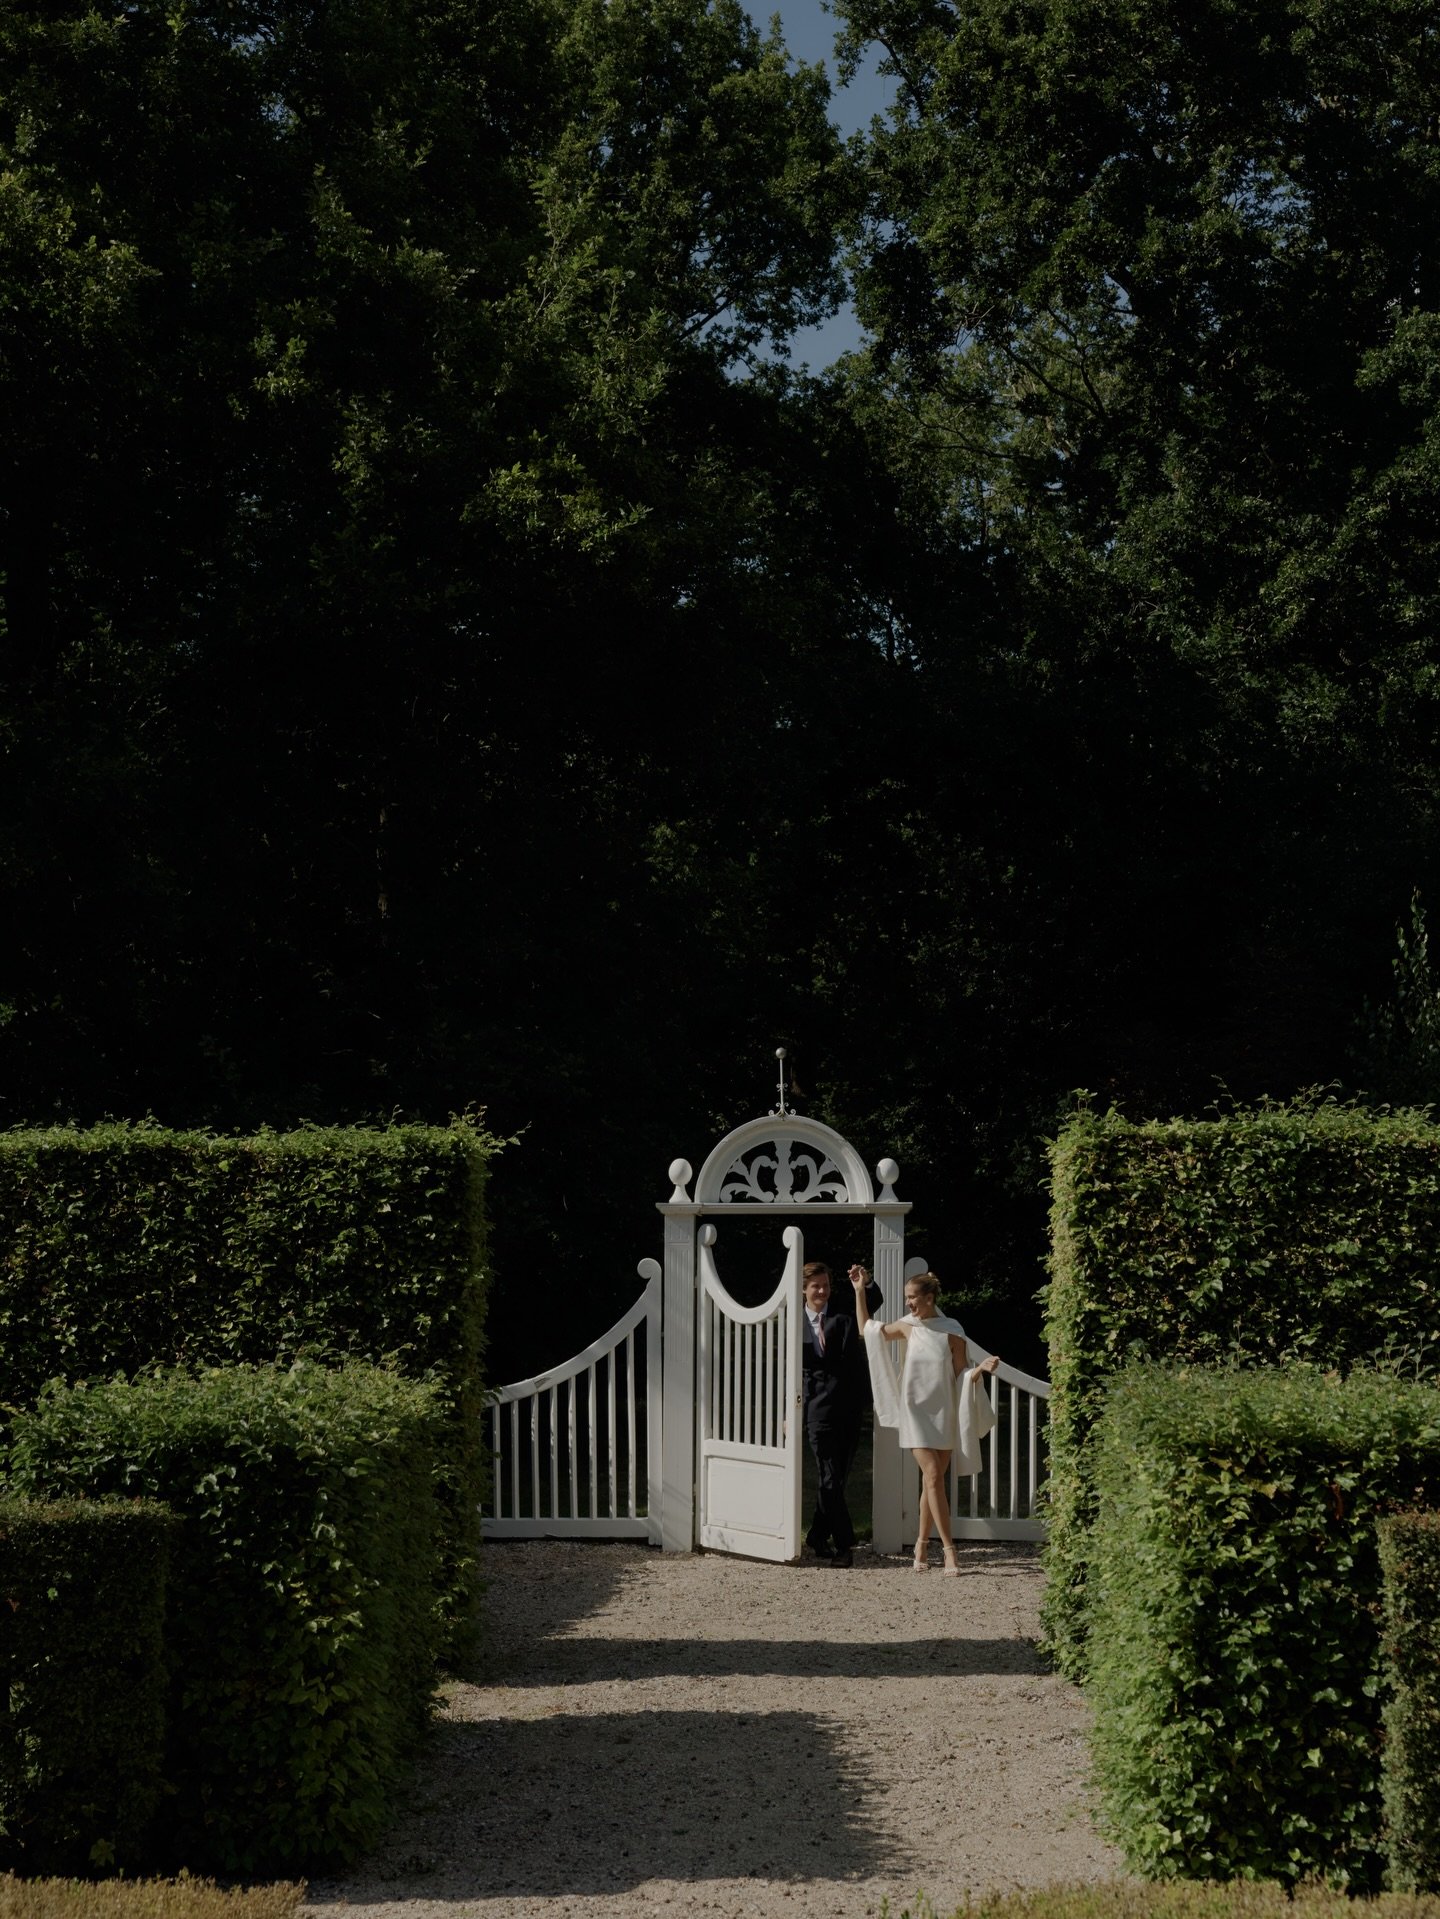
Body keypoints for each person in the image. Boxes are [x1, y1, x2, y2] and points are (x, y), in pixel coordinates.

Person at [850, 1265, 999, 1575]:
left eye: (912, 1298)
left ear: (929, 1298)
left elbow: (961, 1374)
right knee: (932, 1477)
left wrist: (979, 1370)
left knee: (932, 1485)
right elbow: (866, 1331)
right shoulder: (908, 1326)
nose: (908, 1304)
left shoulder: (952, 1330)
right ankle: (950, 1551)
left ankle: (921, 1544)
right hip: (915, 1411)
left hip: (943, 1412)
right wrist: (859, 1291)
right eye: (906, 1298)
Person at [800, 1259, 880, 1567]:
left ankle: (817, 1536)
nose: (822, 1290)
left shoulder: (843, 1313)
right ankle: (845, 1545)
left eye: (826, 1285)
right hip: (815, 1411)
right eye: (816, 1286)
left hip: (849, 1408)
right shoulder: (793, 1322)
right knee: (829, 1477)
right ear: (804, 1289)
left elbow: (874, 1301)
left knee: (837, 1479)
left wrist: (864, 1284)